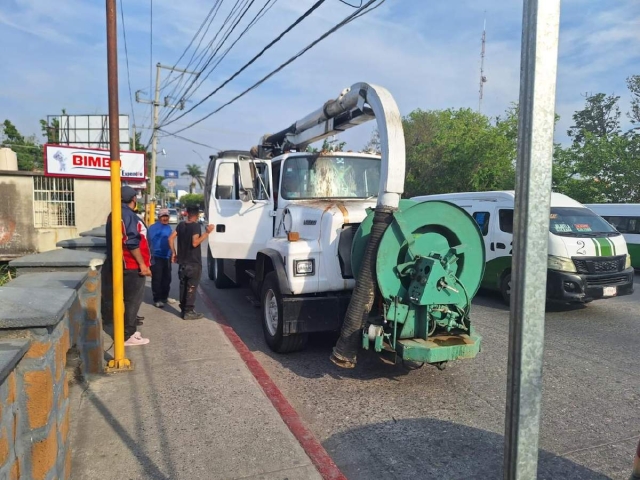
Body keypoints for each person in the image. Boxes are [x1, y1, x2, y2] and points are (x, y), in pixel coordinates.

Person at [105, 186, 151, 346]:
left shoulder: (114, 214)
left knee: (125, 300)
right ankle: (127, 335)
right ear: (133, 199)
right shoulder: (128, 215)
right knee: (132, 300)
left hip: (120, 263)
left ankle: (126, 330)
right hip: (130, 265)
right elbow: (132, 242)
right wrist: (142, 265)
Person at [169, 205, 214, 320]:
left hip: (182, 263)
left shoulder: (181, 225)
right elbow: (195, 243)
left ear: (187, 213)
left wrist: (174, 253)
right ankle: (188, 311)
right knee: (191, 287)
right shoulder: (195, 226)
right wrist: (207, 233)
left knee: (183, 286)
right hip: (193, 263)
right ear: (197, 215)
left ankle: (183, 309)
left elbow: (170, 238)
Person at [148, 209, 174, 308]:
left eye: (166, 216)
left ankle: (164, 297)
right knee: (157, 278)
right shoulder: (153, 228)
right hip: (156, 256)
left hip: (167, 256)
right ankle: (157, 299)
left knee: (167, 278)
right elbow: (148, 242)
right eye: (163, 216)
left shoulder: (168, 228)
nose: (165, 218)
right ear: (159, 217)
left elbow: (170, 241)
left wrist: (173, 253)